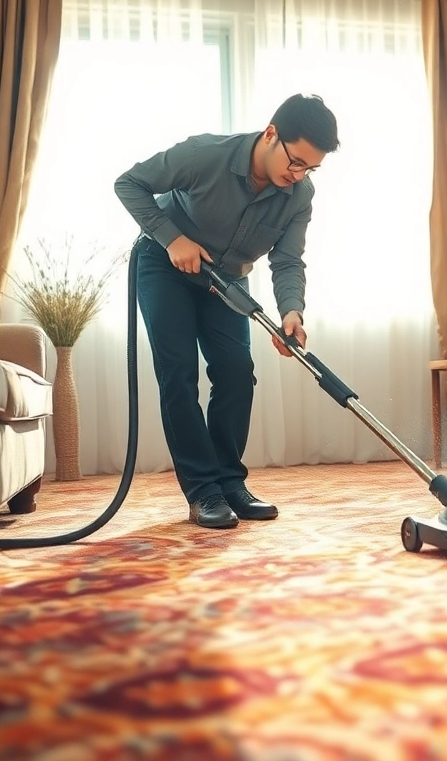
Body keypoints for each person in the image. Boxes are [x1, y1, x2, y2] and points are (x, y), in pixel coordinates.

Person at [114, 94, 339, 529]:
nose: (298, 177)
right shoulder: (204, 155)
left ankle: (229, 481)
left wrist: (292, 312)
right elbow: (129, 183)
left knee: (237, 372)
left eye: (310, 169)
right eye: (295, 163)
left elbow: (287, 260)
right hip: (166, 264)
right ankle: (203, 491)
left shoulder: (299, 195)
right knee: (178, 373)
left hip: (227, 279)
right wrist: (170, 237)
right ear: (271, 134)